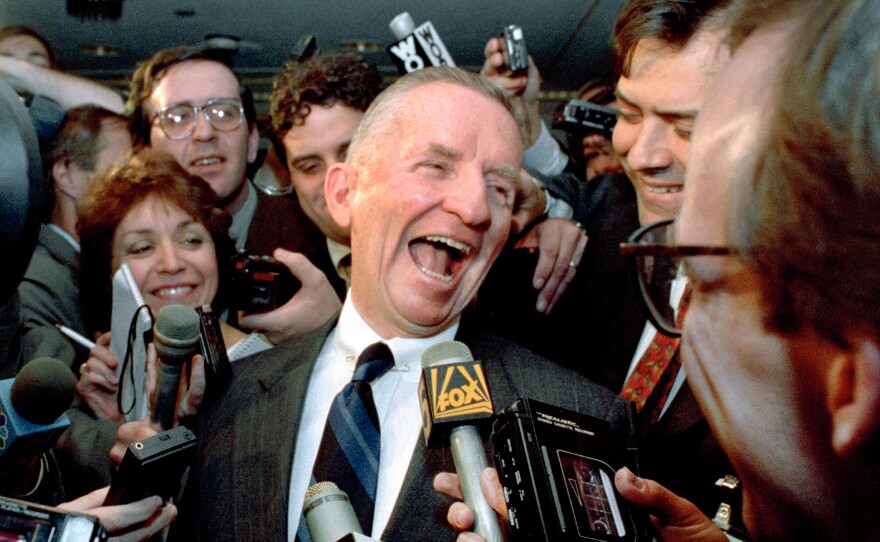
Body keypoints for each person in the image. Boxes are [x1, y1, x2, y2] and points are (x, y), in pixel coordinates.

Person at [446, 0, 880, 540]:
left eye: (686, 127)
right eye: (629, 114)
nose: (644, 153)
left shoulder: (820, 311)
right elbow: (563, 192)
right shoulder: (607, 220)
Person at [159, 66, 632, 542]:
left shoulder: (582, 424)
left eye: (500, 188)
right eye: (435, 167)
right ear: (345, 194)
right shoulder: (228, 402)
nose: (475, 209)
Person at [128, 45, 341, 343]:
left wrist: (330, 335)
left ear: (253, 142)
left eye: (224, 113)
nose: (204, 132)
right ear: (144, 152)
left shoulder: (317, 241)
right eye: (177, 118)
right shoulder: (124, 259)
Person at [76, 150, 272, 421]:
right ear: (110, 272)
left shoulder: (269, 370)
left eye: (191, 240)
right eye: (143, 248)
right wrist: (116, 423)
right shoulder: (118, 382)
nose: (171, 264)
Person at [17, 105, 131, 372]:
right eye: (123, 172)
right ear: (67, 175)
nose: (137, 187)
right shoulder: (34, 285)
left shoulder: (94, 268)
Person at [0, 25, 124, 143]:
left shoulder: (56, 120)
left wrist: (18, 70)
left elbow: (115, 107)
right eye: (7, 60)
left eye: (37, 65)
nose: (21, 68)